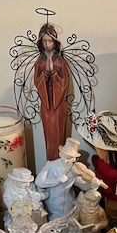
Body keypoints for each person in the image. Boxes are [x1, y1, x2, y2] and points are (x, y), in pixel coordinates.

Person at [35, 138, 99, 222]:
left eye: (70, 158)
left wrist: (92, 185)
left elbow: (83, 185)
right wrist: (56, 180)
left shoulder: (75, 169)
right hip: (52, 206)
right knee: (53, 226)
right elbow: (39, 182)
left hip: (68, 205)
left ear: (75, 159)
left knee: (68, 226)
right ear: (60, 154)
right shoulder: (50, 165)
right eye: (65, 157)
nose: (66, 161)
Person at [34, 23, 70, 161]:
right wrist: (44, 77)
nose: (47, 44)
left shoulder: (60, 61)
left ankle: (59, 160)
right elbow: (37, 80)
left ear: (55, 42)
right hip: (46, 103)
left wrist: (54, 76)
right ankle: (50, 160)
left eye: (50, 41)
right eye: (44, 41)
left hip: (58, 102)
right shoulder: (40, 61)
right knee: (48, 132)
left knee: (58, 131)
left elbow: (64, 81)